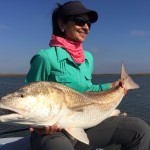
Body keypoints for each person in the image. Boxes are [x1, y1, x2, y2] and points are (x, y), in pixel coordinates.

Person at [25, 1, 150, 150]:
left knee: (140, 130)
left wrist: (111, 86)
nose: (86, 27)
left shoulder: (87, 58)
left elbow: (87, 91)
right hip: (54, 133)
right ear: (62, 24)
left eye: (89, 24)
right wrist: (38, 125)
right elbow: (28, 98)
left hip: (86, 126)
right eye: (80, 21)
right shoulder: (45, 58)